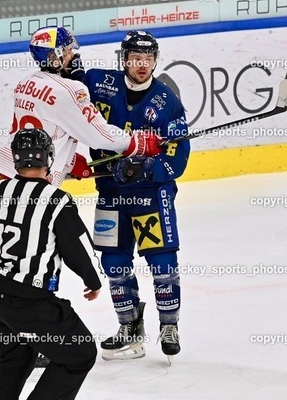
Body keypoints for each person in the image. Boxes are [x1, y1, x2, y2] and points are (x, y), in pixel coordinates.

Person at [0, 25, 164, 362]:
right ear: (56, 56)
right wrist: (141, 142)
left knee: (15, 258)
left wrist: (70, 163)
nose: (75, 55)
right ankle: (11, 339)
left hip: (9, 179)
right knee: (39, 261)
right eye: (69, 51)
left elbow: (47, 129)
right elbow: (99, 134)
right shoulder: (70, 90)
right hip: (38, 189)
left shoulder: (26, 83)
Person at [78, 30, 190, 360]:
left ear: (156, 60)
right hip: (110, 193)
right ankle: (129, 327)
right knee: (113, 264)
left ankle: (169, 326)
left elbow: (178, 157)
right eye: (135, 58)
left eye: (148, 58)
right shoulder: (99, 83)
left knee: (162, 263)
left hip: (151, 196)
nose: (142, 65)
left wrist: (147, 169)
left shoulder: (167, 102)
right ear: (124, 59)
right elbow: (68, 86)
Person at [0, 127, 102, 400]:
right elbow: (77, 248)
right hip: (32, 304)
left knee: (15, 354)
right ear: (48, 159)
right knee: (80, 353)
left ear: (15, 159)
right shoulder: (58, 200)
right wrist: (93, 281)